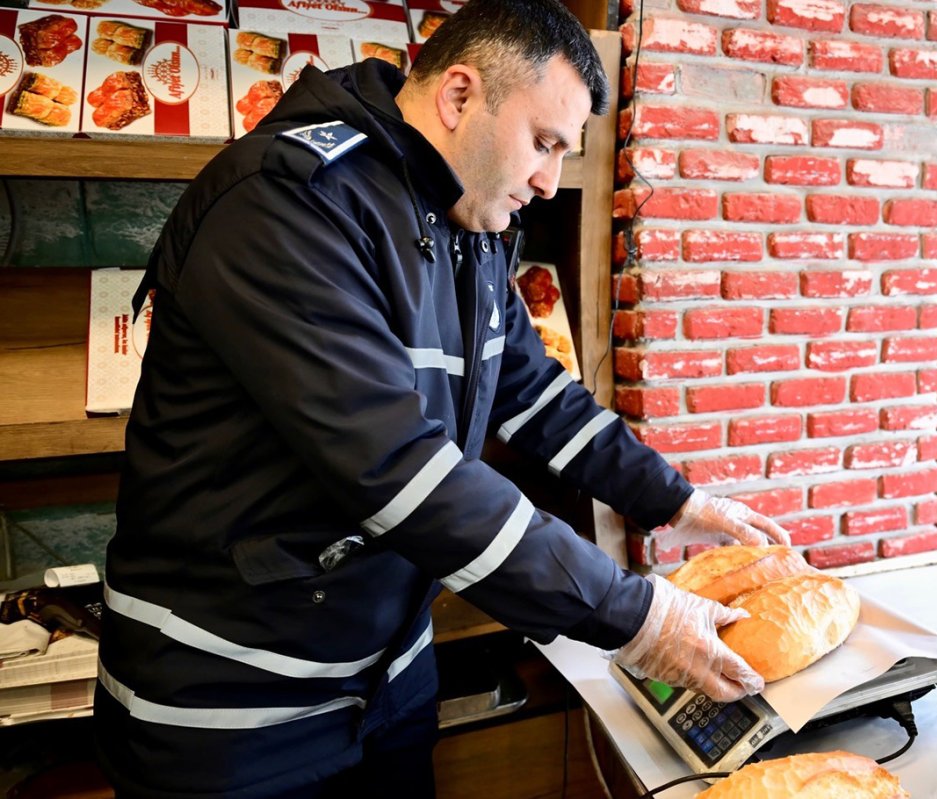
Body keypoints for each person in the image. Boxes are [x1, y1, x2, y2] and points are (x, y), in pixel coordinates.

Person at [95, 1, 790, 796]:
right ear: (460, 97)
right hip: (235, 710)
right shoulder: (285, 203)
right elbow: (400, 470)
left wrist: (678, 501)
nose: (548, 181)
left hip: (384, 680)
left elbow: (530, 394)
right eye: (543, 143)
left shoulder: (467, 221)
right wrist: (636, 616)